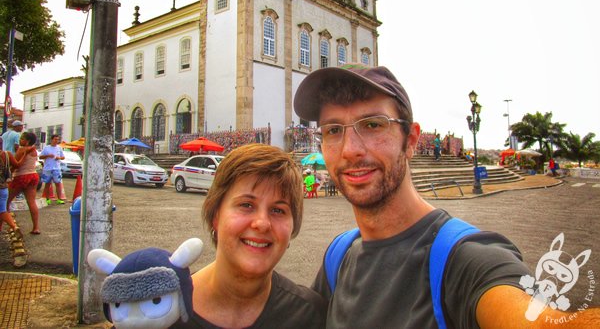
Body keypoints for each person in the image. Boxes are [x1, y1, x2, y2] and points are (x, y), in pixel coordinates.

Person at [293, 64, 599, 328]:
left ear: (410, 139)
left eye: (373, 125)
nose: (350, 149)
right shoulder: (339, 255)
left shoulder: (467, 260)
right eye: (333, 130)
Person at [175, 143, 327, 328]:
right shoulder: (159, 312)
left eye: (278, 210)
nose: (262, 223)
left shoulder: (310, 316)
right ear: (216, 215)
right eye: (246, 205)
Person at [7, 132, 41, 234]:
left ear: (27, 141)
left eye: (22, 139)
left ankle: (9, 225)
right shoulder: (34, 151)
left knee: (6, 201)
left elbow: (15, 164)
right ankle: (36, 227)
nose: (20, 141)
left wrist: (8, 176)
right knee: (31, 202)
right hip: (33, 176)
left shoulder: (21, 150)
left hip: (21, 176)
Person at [0, 143, 33, 237]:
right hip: (4, 188)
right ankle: (13, 227)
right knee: (2, 209)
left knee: (2, 211)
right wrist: (24, 154)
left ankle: (13, 226)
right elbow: (17, 165)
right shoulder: (7, 154)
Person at [39, 134, 67, 204]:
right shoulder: (46, 148)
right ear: (51, 140)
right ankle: (47, 198)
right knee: (47, 184)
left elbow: (63, 157)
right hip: (48, 168)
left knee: (58, 183)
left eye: (57, 139)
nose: (56, 141)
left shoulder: (59, 148)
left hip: (56, 168)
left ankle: (59, 199)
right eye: (55, 139)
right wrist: (48, 155)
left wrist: (59, 158)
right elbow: (40, 157)